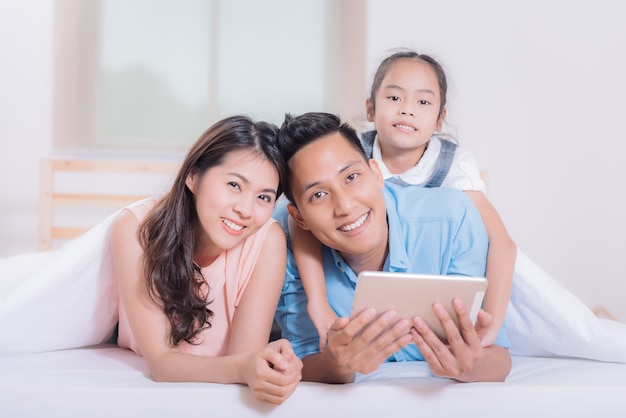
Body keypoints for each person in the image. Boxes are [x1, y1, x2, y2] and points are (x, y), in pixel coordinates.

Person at [288, 49, 516, 350]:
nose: (407, 110)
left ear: (439, 119)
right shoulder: (350, 154)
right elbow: (298, 220)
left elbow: (501, 242)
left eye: (423, 102)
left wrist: (492, 323)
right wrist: (317, 301)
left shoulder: (452, 167)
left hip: (452, 255)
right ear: (370, 109)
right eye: (394, 98)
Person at [274, 111, 512, 384]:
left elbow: (498, 357)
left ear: (376, 173)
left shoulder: (452, 218)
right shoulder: (287, 245)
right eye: (318, 195)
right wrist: (336, 363)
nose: (345, 206)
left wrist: (469, 366)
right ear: (299, 217)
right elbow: (303, 361)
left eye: (351, 177)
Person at [110, 115, 302, 404]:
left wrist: (269, 366)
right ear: (193, 176)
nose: (246, 210)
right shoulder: (136, 227)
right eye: (235, 185)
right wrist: (245, 366)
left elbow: (244, 360)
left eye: (263, 198)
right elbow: (162, 362)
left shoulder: (267, 239)